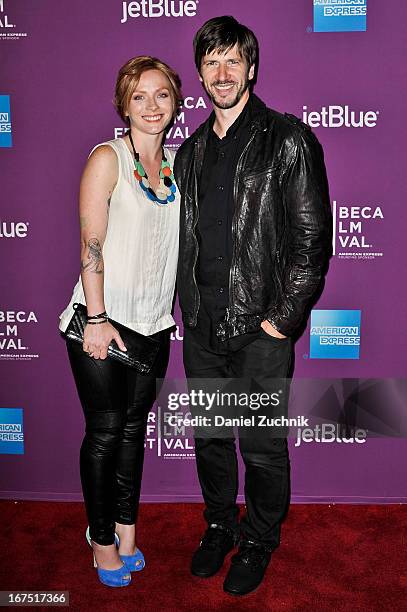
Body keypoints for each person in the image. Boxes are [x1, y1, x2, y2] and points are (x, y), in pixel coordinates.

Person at [174, 16, 332, 596]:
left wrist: (280, 321)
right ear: (199, 74)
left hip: (263, 330)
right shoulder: (188, 153)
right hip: (203, 328)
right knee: (213, 439)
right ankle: (218, 525)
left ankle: (261, 538)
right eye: (211, 62)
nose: (222, 73)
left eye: (232, 61)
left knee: (261, 446)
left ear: (252, 68)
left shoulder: (288, 140)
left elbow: (312, 241)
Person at [59, 56, 181, 587]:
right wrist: (97, 317)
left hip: (154, 326)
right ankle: (101, 539)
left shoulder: (175, 166)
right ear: (123, 104)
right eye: (139, 96)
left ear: (175, 102)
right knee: (106, 433)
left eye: (161, 95)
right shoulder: (108, 158)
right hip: (103, 323)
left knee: (134, 431)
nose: (151, 106)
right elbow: (91, 244)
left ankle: (127, 531)